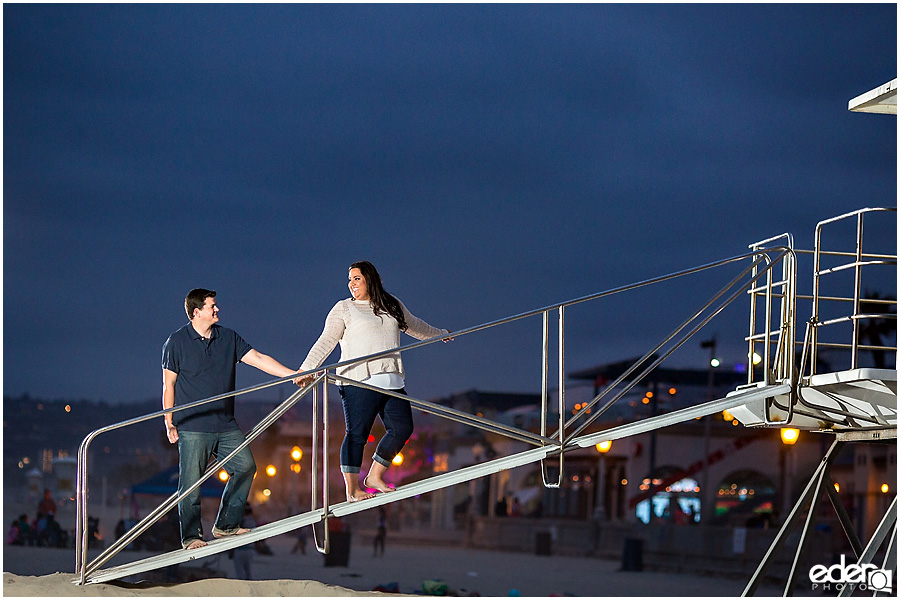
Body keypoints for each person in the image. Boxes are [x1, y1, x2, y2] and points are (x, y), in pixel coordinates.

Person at [299, 261, 451, 502]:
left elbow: (415, 325)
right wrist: (307, 368)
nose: (351, 284)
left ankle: (374, 477)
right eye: (349, 279)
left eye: (356, 278)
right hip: (358, 381)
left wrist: (440, 334)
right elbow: (327, 340)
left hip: (391, 379)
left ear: (370, 279)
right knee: (357, 433)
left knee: (402, 428)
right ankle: (352, 490)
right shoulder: (344, 309)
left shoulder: (391, 304)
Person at [162, 288, 300, 550]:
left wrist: (291, 374)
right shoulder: (176, 342)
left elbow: (258, 359)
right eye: (212, 306)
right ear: (196, 312)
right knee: (190, 484)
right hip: (193, 425)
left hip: (225, 423)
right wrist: (169, 421)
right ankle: (191, 537)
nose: (217, 310)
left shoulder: (228, 337)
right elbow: (169, 385)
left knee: (246, 466)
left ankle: (226, 526)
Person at [231, 505, 257, 580]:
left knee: (240, 572)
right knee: (249, 571)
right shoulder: (252, 521)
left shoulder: (240, 522)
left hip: (239, 550)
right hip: (250, 549)